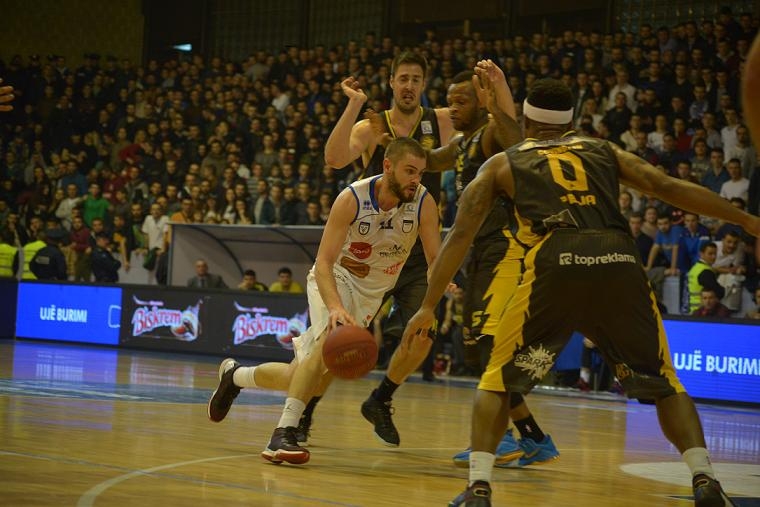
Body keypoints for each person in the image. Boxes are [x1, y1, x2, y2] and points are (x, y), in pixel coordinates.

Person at [404, 79, 754, 506]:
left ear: (528, 120)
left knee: (496, 380)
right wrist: (745, 221)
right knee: (666, 383)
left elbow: (459, 236)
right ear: (570, 122)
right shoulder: (603, 150)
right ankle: (704, 479)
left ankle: (479, 487)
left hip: (555, 261)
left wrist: (426, 306)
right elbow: (666, 186)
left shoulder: (502, 163)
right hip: (618, 262)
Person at [207, 138, 442, 465]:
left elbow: (435, 260)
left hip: (370, 295)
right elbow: (324, 262)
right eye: (410, 171)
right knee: (324, 346)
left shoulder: (423, 203)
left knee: (302, 375)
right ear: (387, 166)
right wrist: (335, 307)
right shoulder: (352, 199)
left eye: (421, 173)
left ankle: (235, 377)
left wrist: (443, 286)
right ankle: (283, 433)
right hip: (334, 280)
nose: (416, 179)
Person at [424, 62, 557, 467]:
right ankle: (535, 440)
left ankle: (499, 440)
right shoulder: (463, 144)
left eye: (462, 100)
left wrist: (497, 102)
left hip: (506, 249)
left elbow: (517, 144)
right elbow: (429, 161)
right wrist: (388, 142)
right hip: (480, 253)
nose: (453, 107)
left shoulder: (493, 135)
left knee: (488, 346)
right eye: (449, 102)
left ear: (481, 102)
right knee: (478, 350)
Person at [322, 51, 455, 447]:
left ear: (424, 84)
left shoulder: (442, 122)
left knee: (423, 335)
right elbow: (334, 158)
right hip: (369, 247)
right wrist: (353, 105)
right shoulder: (373, 125)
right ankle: (305, 412)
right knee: (342, 339)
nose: (409, 85)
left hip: (416, 246)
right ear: (392, 82)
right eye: (403, 78)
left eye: (416, 78)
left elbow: (490, 128)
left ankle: (381, 399)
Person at [686, 242, 724, 314]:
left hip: (693, 310)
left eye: (715, 254)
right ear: (701, 254)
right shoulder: (705, 272)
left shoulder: (694, 268)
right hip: (703, 312)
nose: (713, 257)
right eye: (710, 254)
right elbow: (719, 292)